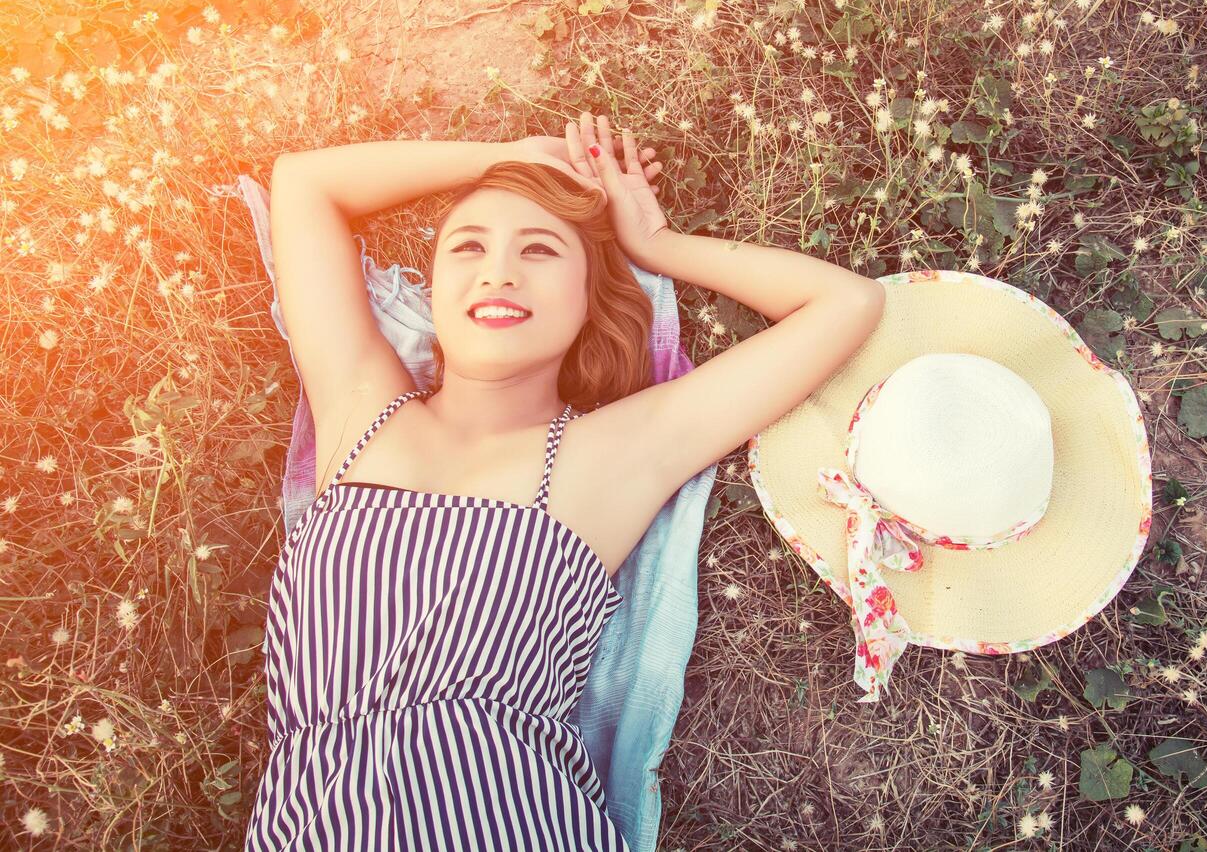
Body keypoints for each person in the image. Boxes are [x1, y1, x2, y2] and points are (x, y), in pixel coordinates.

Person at [243, 111, 886, 850]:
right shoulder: (361, 411)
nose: (498, 271)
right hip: (318, 820)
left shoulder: (610, 456)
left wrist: (656, 244)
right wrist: (509, 153)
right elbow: (306, 182)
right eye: (468, 247)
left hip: (507, 817)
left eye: (541, 250)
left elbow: (846, 306)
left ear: (589, 302)